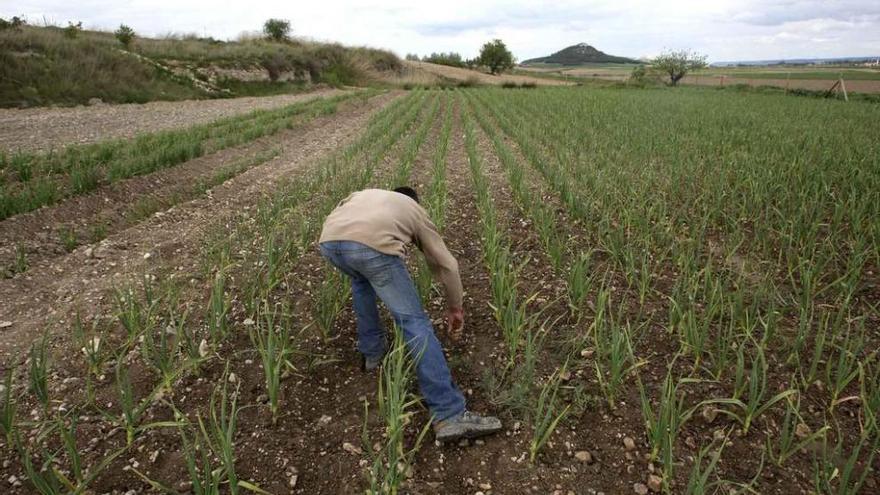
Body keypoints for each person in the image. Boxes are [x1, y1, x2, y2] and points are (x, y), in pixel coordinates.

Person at [318, 187, 502, 442]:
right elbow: (447, 264)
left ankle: (373, 355)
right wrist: (455, 307)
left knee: (361, 282)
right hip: (372, 247)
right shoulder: (414, 210)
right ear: (413, 201)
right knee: (413, 321)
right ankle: (449, 413)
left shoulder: (366, 195)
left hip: (329, 241)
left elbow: (340, 212)